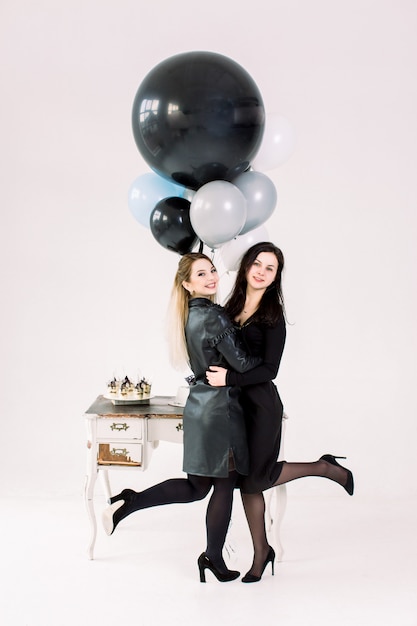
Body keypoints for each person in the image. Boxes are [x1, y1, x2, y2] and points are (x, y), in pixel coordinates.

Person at [102, 252, 262, 582]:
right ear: (187, 284)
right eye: (201, 275)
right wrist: (259, 342)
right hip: (221, 409)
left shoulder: (186, 314)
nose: (212, 277)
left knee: (197, 486)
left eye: (213, 270)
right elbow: (244, 363)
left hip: (200, 406)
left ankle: (131, 502)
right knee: (224, 484)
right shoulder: (215, 317)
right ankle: (213, 557)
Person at [206, 241, 354, 583]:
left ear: (275, 277)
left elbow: (269, 370)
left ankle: (325, 467)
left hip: (261, 407)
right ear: (245, 267)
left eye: (269, 268)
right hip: (233, 407)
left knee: (257, 478)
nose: (260, 271)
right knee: (246, 480)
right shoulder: (230, 308)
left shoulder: (273, 319)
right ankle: (262, 551)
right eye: (256, 263)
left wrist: (230, 376)